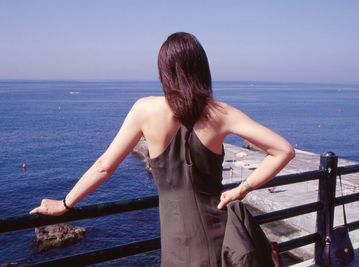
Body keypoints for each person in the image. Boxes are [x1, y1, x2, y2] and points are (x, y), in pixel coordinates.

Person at [30, 32, 295, 266]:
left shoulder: (144, 110)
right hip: (218, 235)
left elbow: (104, 166)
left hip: (176, 243)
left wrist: (65, 203)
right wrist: (242, 189)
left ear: (164, 71)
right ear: (201, 69)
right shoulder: (220, 113)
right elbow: (284, 150)